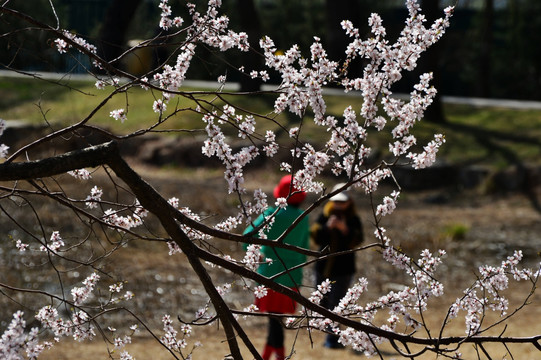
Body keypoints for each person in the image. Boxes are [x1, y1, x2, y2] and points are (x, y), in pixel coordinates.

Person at [243, 175, 310, 360]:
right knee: (276, 321)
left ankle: (275, 357)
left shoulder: (271, 213)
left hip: (268, 275)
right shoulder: (303, 218)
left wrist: (258, 253)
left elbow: (246, 238)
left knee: (274, 321)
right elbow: (305, 248)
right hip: (292, 275)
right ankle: (270, 356)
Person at [310, 183, 363, 349]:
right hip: (323, 266)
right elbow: (316, 237)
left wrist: (345, 229)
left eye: (342, 202)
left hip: (343, 269)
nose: (339, 205)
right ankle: (329, 332)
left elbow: (358, 239)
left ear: (350, 202)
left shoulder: (354, 219)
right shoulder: (324, 216)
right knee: (323, 303)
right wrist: (327, 227)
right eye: (336, 201)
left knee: (337, 304)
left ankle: (333, 339)